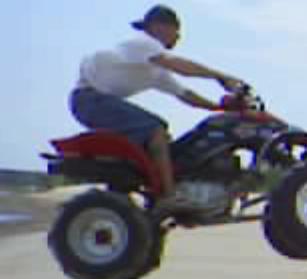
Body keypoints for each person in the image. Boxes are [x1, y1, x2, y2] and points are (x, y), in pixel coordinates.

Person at [69, 5, 245, 211]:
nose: (178, 36)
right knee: (155, 130)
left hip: (97, 102)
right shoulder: (143, 43)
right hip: (90, 99)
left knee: (160, 138)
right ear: (158, 27)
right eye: (176, 29)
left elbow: (185, 95)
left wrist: (219, 108)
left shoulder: (155, 69)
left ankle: (160, 189)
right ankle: (168, 197)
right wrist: (221, 76)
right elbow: (180, 66)